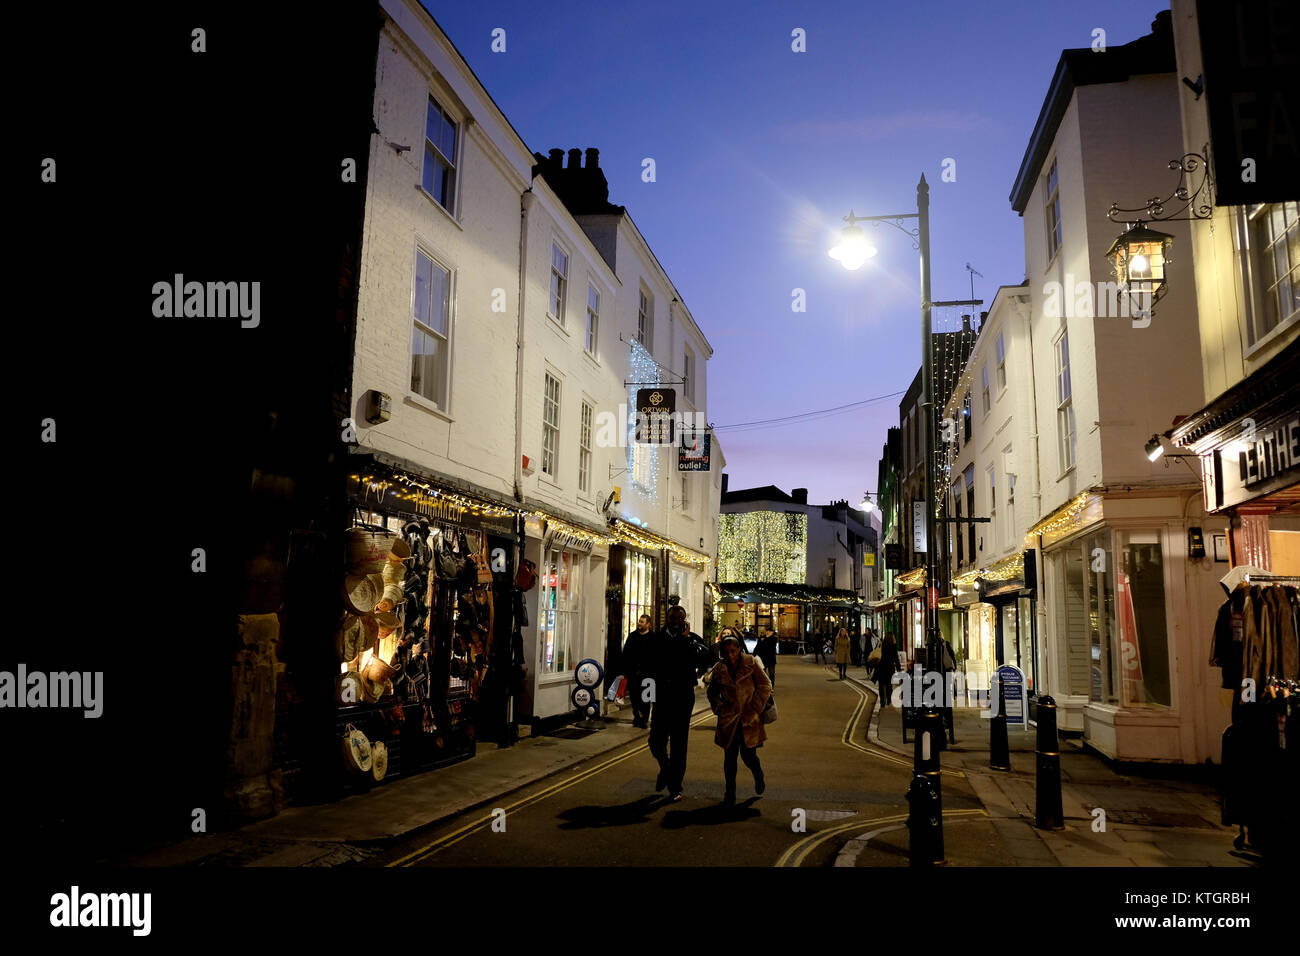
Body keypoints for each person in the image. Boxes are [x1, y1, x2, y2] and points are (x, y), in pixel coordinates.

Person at [646, 605, 711, 801]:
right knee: (655, 741)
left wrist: (686, 641)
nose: (675, 620)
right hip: (662, 695)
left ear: (684, 620)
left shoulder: (692, 639)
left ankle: (675, 787)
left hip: (683, 696)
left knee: (679, 743)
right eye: (673, 617)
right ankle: (666, 769)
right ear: (667, 618)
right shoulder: (656, 639)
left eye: (679, 617)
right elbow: (652, 663)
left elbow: (704, 659)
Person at [706, 632, 771, 807]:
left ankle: (758, 774)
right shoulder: (719, 668)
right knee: (730, 758)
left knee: (749, 756)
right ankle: (730, 792)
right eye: (726, 652)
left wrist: (755, 708)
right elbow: (712, 692)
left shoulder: (750, 662)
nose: (729, 655)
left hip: (749, 718)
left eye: (733, 651)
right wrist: (719, 707)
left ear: (739, 650)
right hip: (729, 719)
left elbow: (765, 685)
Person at [623, 614, 653, 728]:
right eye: (639, 621)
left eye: (642, 622)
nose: (639, 623)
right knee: (634, 698)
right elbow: (626, 654)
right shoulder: (632, 636)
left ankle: (644, 719)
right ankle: (637, 717)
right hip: (633, 674)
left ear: (648, 624)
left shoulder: (653, 637)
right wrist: (625, 671)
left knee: (646, 698)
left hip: (648, 674)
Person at [872, 633, 901, 707]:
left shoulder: (882, 645)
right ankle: (888, 700)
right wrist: (899, 670)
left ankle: (882, 702)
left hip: (881, 667)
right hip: (890, 668)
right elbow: (896, 659)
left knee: (881, 685)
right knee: (889, 685)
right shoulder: (893, 646)